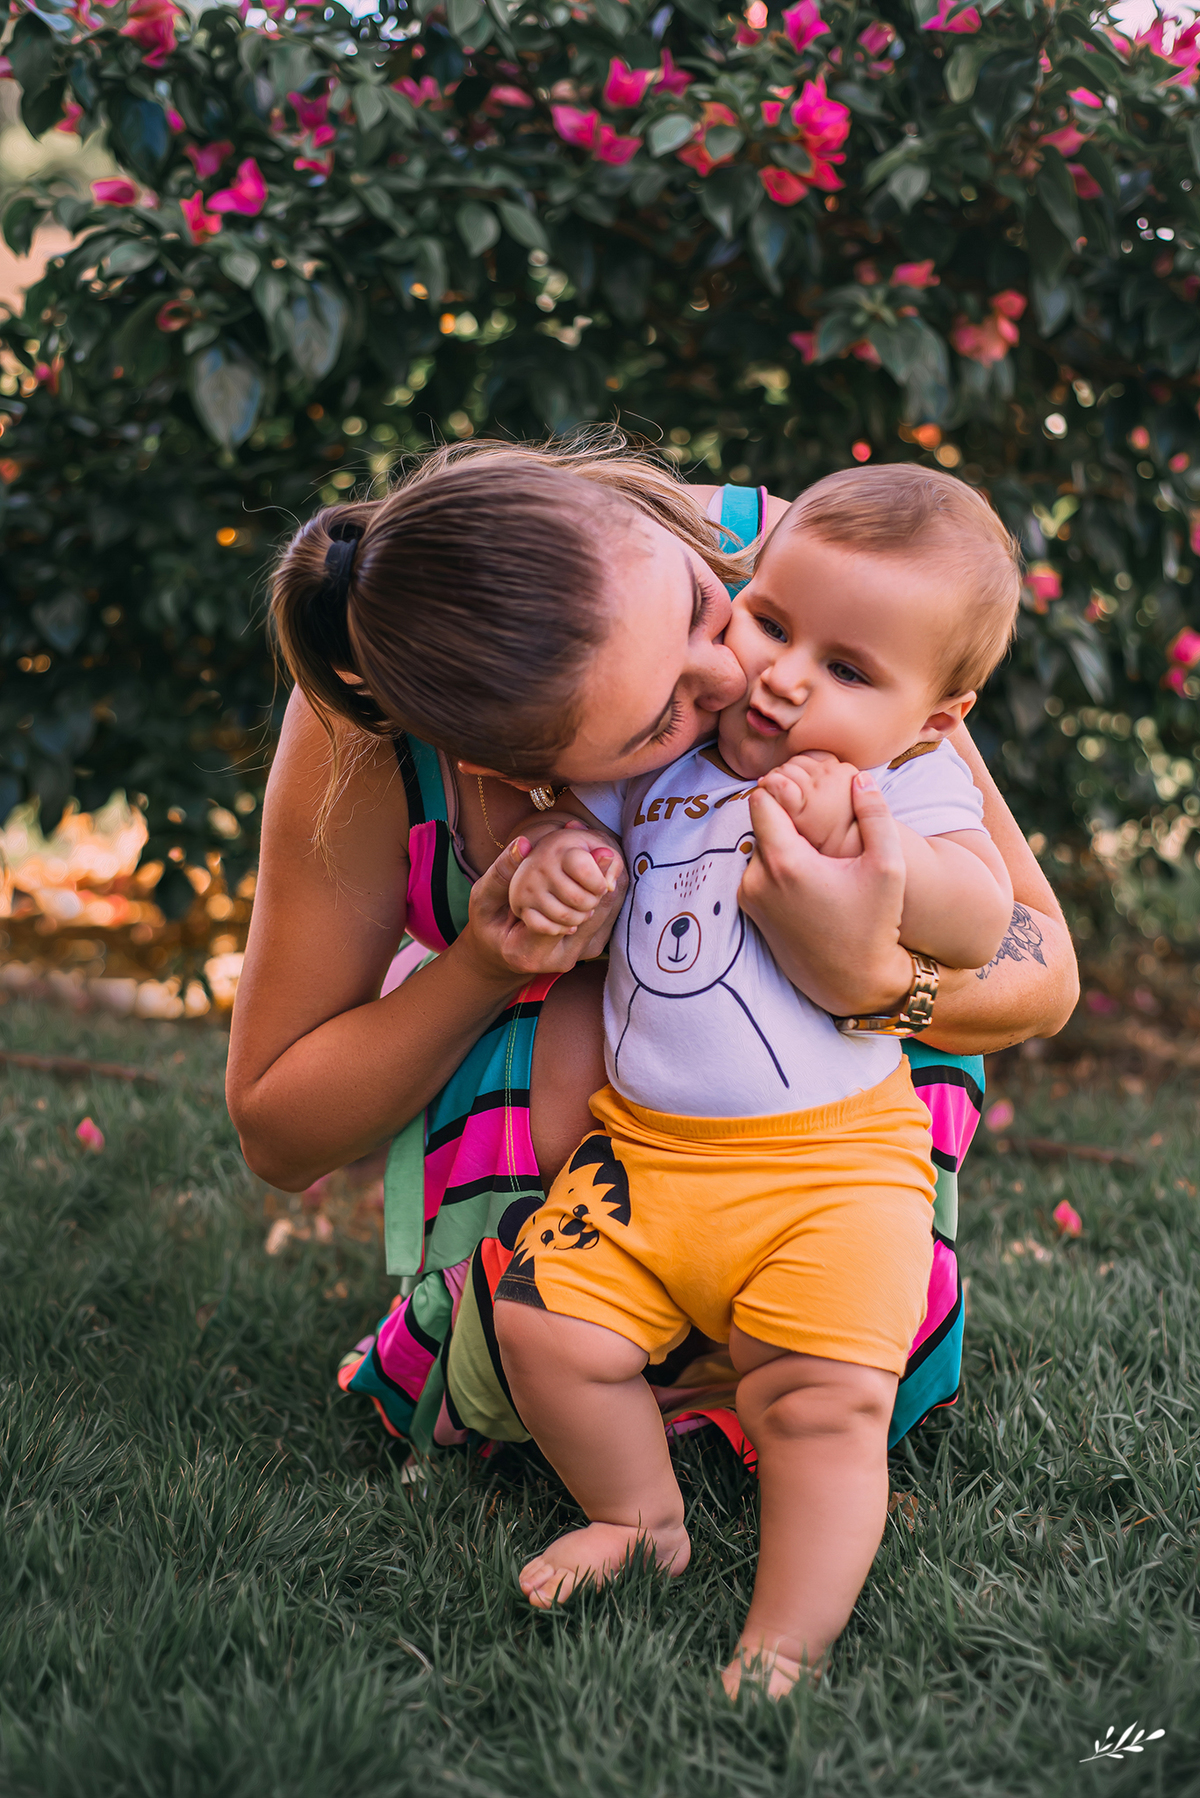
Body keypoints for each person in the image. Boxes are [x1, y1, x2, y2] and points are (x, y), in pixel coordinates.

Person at [225, 435, 1077, 1496]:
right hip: (629, 1144)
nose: (743, 676)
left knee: (906, 1012)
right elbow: (277, 1130)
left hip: (832, 1133)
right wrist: (487, 961)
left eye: (704, 609)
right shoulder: (378, 721)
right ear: (511, 765)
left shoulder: (814, 571)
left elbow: (1041, 966)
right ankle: (580, 1373)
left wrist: (875, 981)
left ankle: (809, 1356)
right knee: (560, 1030)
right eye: (659, 718)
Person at [495, 465, 1021, 1697]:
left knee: (823, 1407)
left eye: (849, 669)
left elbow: (983, 912)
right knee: (544, 1326)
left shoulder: (906, 785)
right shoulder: (667, 751)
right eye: (772, 622)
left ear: (934, 717)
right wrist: (554, 858)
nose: (782, 677)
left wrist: (876, 846)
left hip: (833, 1176)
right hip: (641, 1158)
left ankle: (786, 1636)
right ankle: (639, 1516)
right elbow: (566, 823)